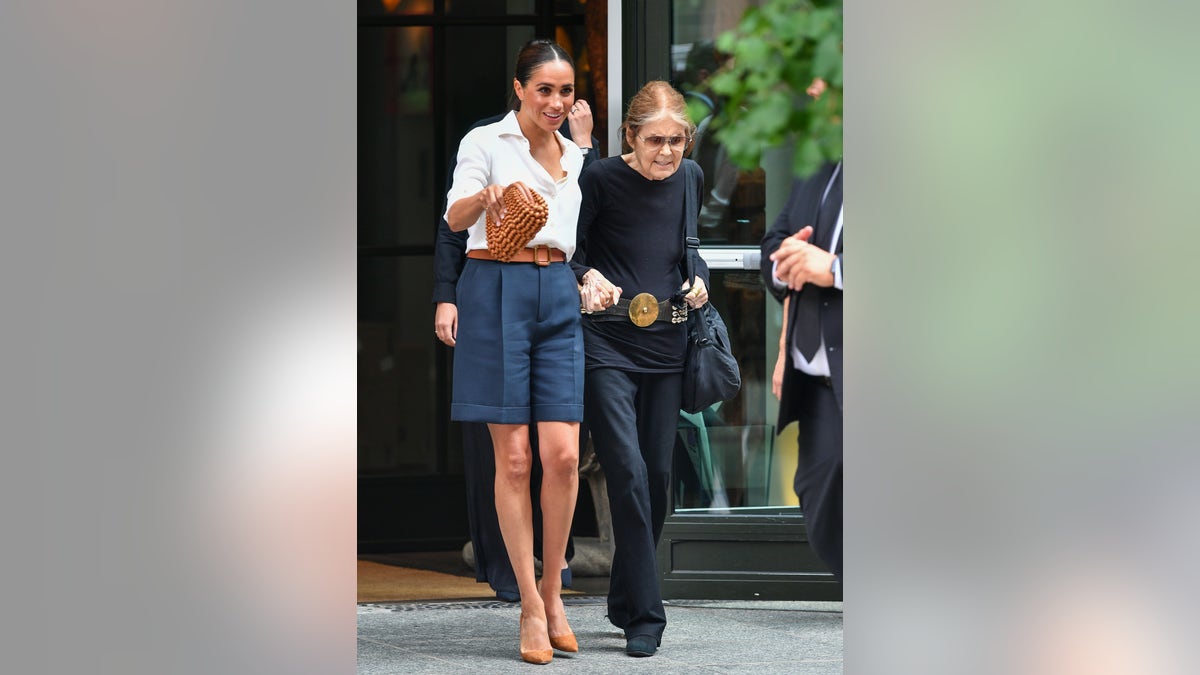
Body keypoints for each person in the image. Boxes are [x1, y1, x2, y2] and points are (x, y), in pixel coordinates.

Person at [443, 38, 590, 665]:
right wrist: (489, 198)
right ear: (520, 89)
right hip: (496, 284)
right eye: (545, 90)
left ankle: (555, 592)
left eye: (565, 91)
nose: (556, 101)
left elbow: (577, 230)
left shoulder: (576, 155)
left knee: (561, 455)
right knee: (515, 460)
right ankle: (529, 604)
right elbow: (454, 217)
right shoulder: (485, 143)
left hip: (557, 290)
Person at [570, 80, 710, 658]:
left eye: (677, 141)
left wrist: (699, 276)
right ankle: (647, 617)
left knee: (655, 476)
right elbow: (570, 252)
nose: (667, 153)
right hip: (608, 341)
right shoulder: (600, 178)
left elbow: (686, 246)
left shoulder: (691, 180)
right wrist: (587, 278)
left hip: (668, 342)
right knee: (625, 469)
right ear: (631, 136)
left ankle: (625, 595)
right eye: (655, 141)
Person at [760, 160, 843, 581]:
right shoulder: (818, 168)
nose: (812, 90)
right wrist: (784, 262)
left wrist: (834, 270)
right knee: (818, 494)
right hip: (817, 377)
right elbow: (776, 240)